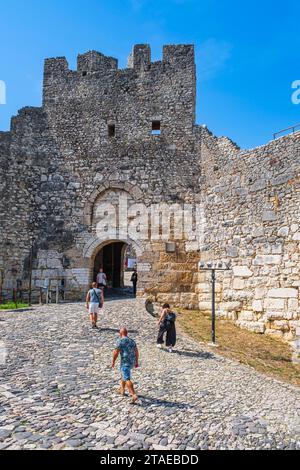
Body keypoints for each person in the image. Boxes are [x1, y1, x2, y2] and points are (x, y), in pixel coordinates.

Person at [112, 327, 139, 404]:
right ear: (127, 333)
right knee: (123, 374)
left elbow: (116, 352)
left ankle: (133, 394)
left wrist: (113, 361)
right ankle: (122, 390)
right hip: (131, 361)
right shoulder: (132, 341)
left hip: (125, 361)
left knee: (127, 378)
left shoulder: (119, 341)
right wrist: (136, 361)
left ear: (120, 334)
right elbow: (136, 352)